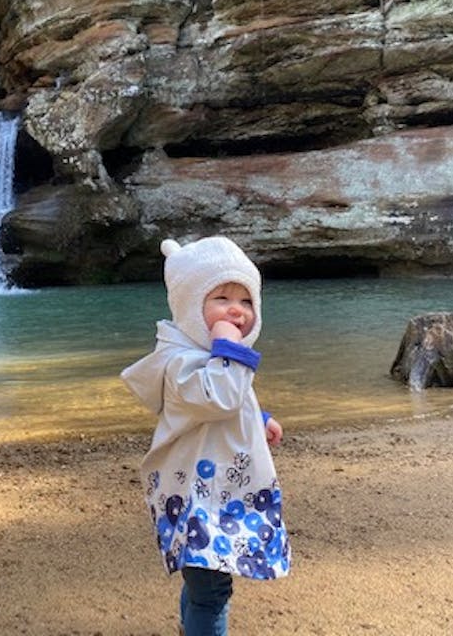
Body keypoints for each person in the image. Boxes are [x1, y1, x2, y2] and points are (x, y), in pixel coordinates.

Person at [121, 236, 290, 636]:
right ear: (190, 307)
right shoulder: (182, 362)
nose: (236, 309)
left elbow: (231, 401)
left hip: (214, 492)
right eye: (221, 298)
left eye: (246, 301)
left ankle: (188, 626)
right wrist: (230, 349)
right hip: (200, 498)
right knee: (211, 591)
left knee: (202, 581)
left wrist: (258, 418)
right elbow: (219, 398)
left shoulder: (213, 358)